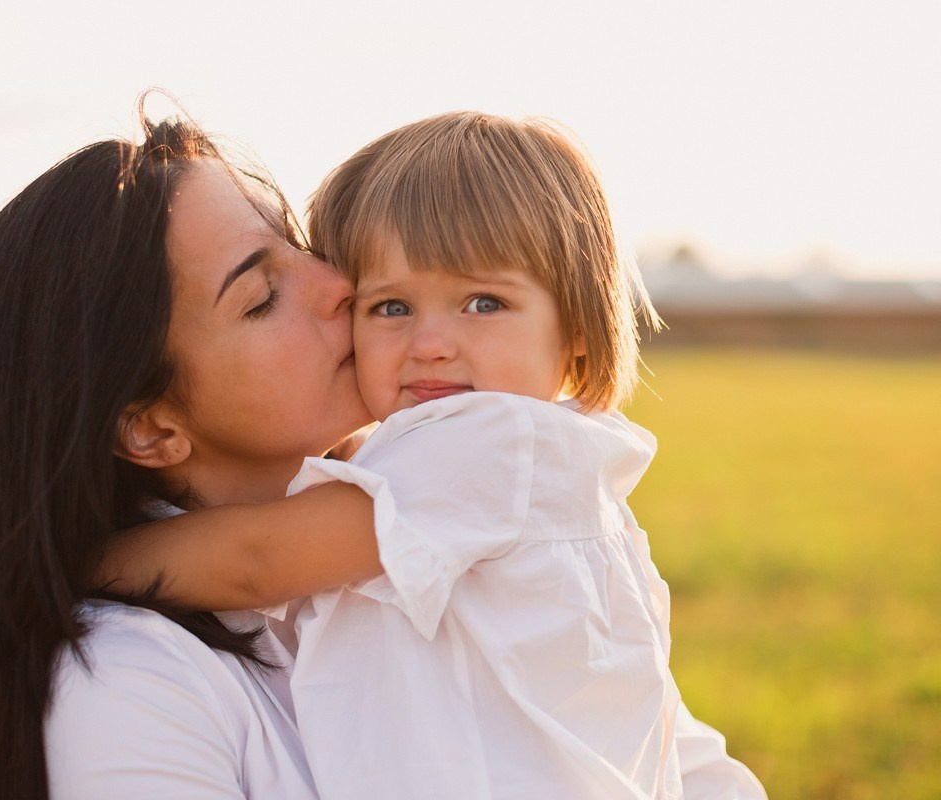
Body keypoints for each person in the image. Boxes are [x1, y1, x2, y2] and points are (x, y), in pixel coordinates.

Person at [99, 112, 767, 798]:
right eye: (391, 307)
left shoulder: (493, 442)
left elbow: (257, 561)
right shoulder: (524, 463)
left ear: (577, 328)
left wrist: (84, 562)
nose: (431, 343)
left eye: (484, 302)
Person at [0, 113, 373, 799]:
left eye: (298, 241)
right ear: (150, 430)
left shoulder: (338, 564)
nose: (339, 282)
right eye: (261, 297)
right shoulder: (127, 690)